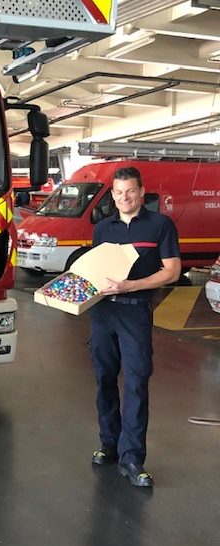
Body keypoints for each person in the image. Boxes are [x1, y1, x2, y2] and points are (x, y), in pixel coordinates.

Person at [89, 166, 180, 488]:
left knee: (137, 381)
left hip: (134, 312)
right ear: (112, 195)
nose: (123, 197)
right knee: (104, 379)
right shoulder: (102, 229)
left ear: (142, 192)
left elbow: (171, 271)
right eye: (117, 192)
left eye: (130, 191)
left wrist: (132, 286)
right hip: (101, 313)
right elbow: (94, 270)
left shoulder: (160, 226)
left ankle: (132, 457)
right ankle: (109, 444)